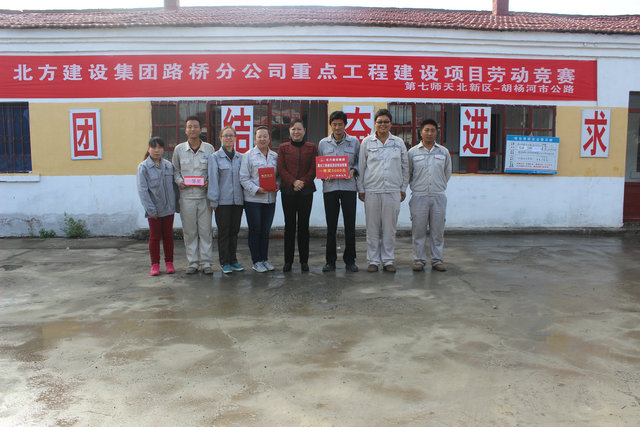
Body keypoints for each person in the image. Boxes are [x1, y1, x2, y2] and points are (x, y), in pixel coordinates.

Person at [357, 109, 409, 273]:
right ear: (375, 123)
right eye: (379, 121)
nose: (383, 124)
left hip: (392, 190)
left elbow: (405, 167)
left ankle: (388, 260)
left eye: (386, 121)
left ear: (391, 124)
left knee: (389, 228)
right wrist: (361, 189)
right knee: (372, 228)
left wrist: (403, 188)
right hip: (372, 190)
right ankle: (373, 261)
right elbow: (361, 167)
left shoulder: (398, 143)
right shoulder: (367, 142)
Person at [172, 116, 215, 274]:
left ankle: (206, 263)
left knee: (205, 231)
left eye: (195, 126)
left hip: (204, 196)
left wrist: (209, 181)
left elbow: (213, 170)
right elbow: (175, 171)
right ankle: (193, 262)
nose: (192, 129)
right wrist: (179, 181)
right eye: (189, 127)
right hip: (187, 196)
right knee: (190, 231)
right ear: (185, 130)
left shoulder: (209, 149)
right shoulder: (179, 150)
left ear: (200, 129)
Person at [318, 110, 360, 273]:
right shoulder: (323, 143)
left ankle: (350, 260)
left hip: (349, 188)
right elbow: (320, 165)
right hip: (330, 189)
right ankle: (330, 261)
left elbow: (359, 162)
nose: (337, 127)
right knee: (331, 227)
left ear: (345, 125)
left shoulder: (354, 142)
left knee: (350, 225)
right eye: (334, 124)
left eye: (340, 124)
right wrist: (324, 175)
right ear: (330, 125)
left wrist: (353, 170)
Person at [409, 119, 452, 272]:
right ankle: (418, 260)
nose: (429, 133)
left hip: (438, 196)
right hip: (419, 196)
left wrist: (438, 186)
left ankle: (437, 260)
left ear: (436, 133)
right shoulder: (412, 152)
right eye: (426, 130)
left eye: (432, 130)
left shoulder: (443, 152)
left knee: (437, 231)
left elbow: (447, 173)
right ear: (420, 132)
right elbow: (409, 173)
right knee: (418, 231)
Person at [277, 119, 318, 272]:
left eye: (299, 129)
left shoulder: (312, 147)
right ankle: (288, 261)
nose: (296, 132)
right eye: (293, 129)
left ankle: (304, 261)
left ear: (304, 131)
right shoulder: (283, 148)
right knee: (289, 227)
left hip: (306, 192)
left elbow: (314, 168)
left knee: (303, 227)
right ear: (289, 131)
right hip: (288, 191)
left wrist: (303, 182)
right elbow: (281, 168)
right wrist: (293, 182)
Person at [239, 126, 279, 273]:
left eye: (265, 136)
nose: (262, 139)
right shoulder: (248, 156)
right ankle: (256, 261)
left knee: (265, 231)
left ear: (269, 139)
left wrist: (278, 185)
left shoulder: (275, 156)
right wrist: (256, 189)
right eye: (259, 137)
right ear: (255, 139)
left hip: (270, 199)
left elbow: (279, 176)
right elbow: (243, 178)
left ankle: (264, 259)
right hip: (253, 200)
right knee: (255, 230)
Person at [137, 137, 177, 276]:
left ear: (163, 149)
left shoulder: (168, 166)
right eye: (153, 147)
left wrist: (176, 205)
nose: (156, 150)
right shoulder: (143, 167)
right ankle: (155, 264)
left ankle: (169, 263)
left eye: (159, 147)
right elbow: (143, 191)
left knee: (168, 236)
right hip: (154, 209)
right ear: (149, 149)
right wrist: (150, 209)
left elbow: (174, 187)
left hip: (168, 208)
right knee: (154, 237)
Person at [207, 126, 245, 274]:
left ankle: (233, 260)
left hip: (238, 201)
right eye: (226, 136)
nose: (229, 138)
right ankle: (224, 262)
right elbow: (213, 180)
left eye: (231, 135)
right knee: (224, 232)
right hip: (222, 202)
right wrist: (213, 201)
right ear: (220, 138)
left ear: (235, 138)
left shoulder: (240, 157)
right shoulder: (215, 157)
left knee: (234, 231)